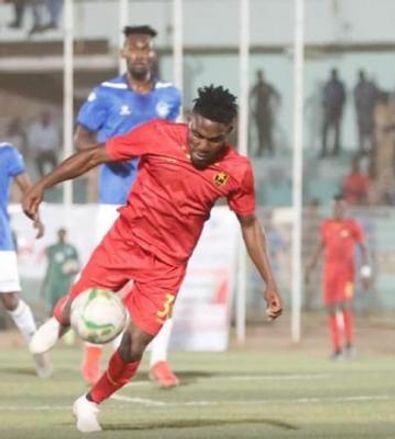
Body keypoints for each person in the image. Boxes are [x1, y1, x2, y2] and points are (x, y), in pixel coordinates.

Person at [25, 85, 283, 433]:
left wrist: (269, 281)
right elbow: (94, 156)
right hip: (125, 242)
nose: (201, 145)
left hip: (166, 267)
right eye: (197, 134)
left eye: (213, 140)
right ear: (189, 121)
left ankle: (90, 403)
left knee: (136, 344)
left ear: (228, 134)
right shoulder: (157, 135)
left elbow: (250, 225)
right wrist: (42, 184)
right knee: (76, 307)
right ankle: (59, 319)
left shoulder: (236, 171)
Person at [73, 25, 182, 387]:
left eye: (145, 49)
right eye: (133, 49)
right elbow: (81, 136)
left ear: (152, 54)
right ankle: (92, 354)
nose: (140, 55)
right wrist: (106, 150)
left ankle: (159, 361)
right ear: (124, 54)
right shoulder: (106, 93)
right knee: (105, 280)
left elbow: (178, 143)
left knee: (161, 285)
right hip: (115, 199)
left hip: (159, 206)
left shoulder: (170, 96)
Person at [0, 140, 50, 378]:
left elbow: (28, 188)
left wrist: (36, 217)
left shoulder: (6, 152)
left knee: (9, 299)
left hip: (0, 237)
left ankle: (37, 348)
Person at [305, 195, 371, 360]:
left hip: (347, 272)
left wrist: (365, 272)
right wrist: (309, 268)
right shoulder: (326, 225)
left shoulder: (352, 225)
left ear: (346, 209)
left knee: (344, 305)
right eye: (336, 207)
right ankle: (337, 348)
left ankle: (349, 345)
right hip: (330, 271)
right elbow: (320, 247)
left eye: (341, 207)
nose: (338, 210)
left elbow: (364, 249)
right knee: (330, 308)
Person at [42, 228, 80, 314]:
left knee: (64, 305)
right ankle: (50, 322)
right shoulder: (52, 248)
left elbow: (77, 265)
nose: (61, 236)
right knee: (51, 305)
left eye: (63, 234)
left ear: (66, 235)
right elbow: (49, 265)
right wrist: (45, 282)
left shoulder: (71, 249)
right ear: (57, 235)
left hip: (65, 283)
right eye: (60, 234)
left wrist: (73, 270)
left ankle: (62, 324)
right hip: (53, 281)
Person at [249, 69, 280, 157]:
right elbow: (249, 97)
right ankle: (261, 150)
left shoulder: (267, 86)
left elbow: (277, 96)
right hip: (259, 113)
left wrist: (275, 109)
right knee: (260, 132)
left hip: (266, 112)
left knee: (268, 132)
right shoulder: (256, 87)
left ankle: (270, 150)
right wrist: (251, 110)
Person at [321, 68, 346, 157]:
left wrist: (340, 108)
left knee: (336, 131)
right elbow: (323, 98)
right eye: (333, 74)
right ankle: (324, 149)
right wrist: (325, 108)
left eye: (335, 74)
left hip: (337, 110)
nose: (333, 76)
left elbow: (343, 98)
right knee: (325, 130)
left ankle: (335, 150)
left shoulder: (340, 85)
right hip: (328, 110)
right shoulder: (327, 85)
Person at [26, 111, 59, 177]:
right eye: (44, 117)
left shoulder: (52, 128)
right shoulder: (35, 128)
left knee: (55, 164)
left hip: (49, 152)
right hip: (39, 152)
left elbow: (55, 141)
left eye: (47, 117)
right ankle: (42, 179)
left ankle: (54, 179)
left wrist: (52, 149)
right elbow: (32, 140)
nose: (46, 119)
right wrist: (38, 148)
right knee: (39, 164)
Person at [353, 69, 378, 155]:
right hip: (361, 113)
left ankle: (372, 149)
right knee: (361, 133)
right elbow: (356, 101)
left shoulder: (370, 86)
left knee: (371, 133)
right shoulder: (357, 87)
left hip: (369, 113)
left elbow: (376, 96)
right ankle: (362, 149)